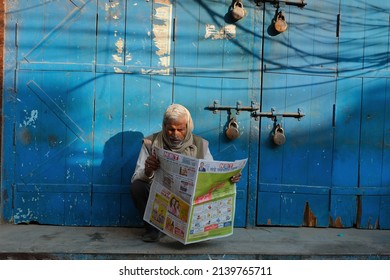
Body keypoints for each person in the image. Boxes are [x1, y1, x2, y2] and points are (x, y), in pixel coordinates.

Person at [130, 104, 241, 242]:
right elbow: (135, 177)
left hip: (188, 198)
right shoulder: (150, 143)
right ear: (164, 127)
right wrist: (148, 171)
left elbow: (212, 174)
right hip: (161, 196)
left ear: (188, 127)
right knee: (137, 187)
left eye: (180, 129)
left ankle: (194, 230)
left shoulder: (200, 145)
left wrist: (229, 178)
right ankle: (154, 230)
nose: (175, 134)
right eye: (170, 129)